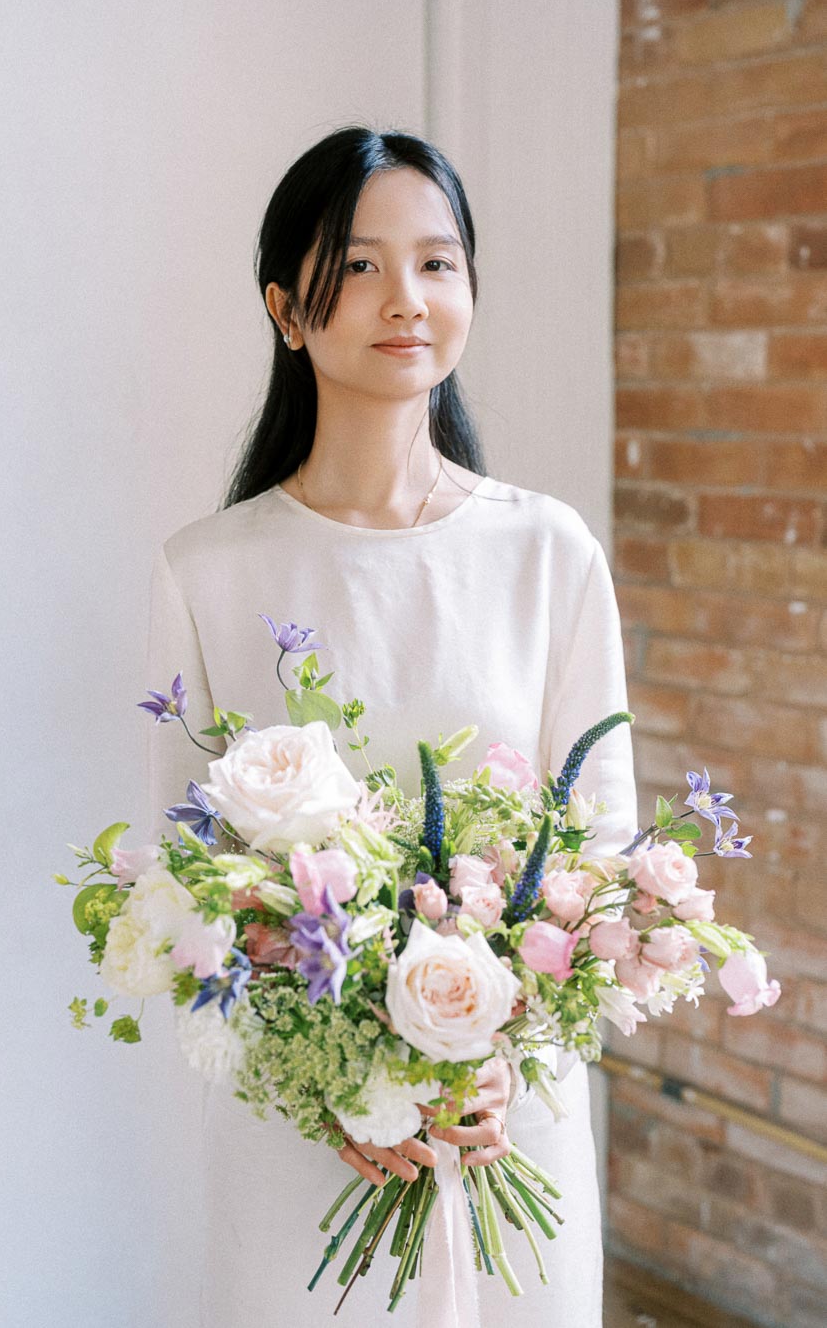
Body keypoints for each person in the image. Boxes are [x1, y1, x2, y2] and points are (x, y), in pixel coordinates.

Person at [144, 125, 638, 1328]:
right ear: (287, 307)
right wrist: (333, 1089)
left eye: (438, 262)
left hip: (508, 1118)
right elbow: (183, 886)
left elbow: (608, 855)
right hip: (300, 1143)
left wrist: (503, 1055)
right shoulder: (208, 571)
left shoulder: (546, 552)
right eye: (358, 265)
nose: (406, 298)